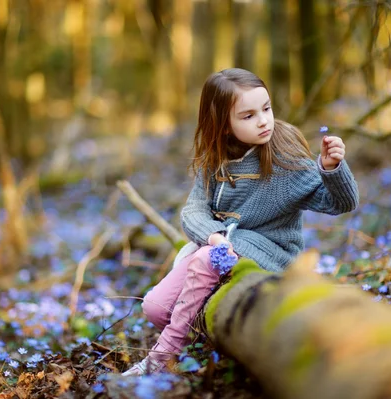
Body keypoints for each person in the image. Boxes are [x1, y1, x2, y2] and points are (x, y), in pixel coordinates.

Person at [123, 68, 359, 376]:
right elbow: (194, 209)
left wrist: (333, 168)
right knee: (154, 308)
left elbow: (341, 204)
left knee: (206, 259)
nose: (263, 120)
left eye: (266, 108)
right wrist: (215, 236)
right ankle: (206, 339)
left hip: (270, 252)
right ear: (223, 127)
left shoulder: (285, 161)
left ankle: (159, 359)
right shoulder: (215, 160)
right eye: (247, 116)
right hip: (222, 246)